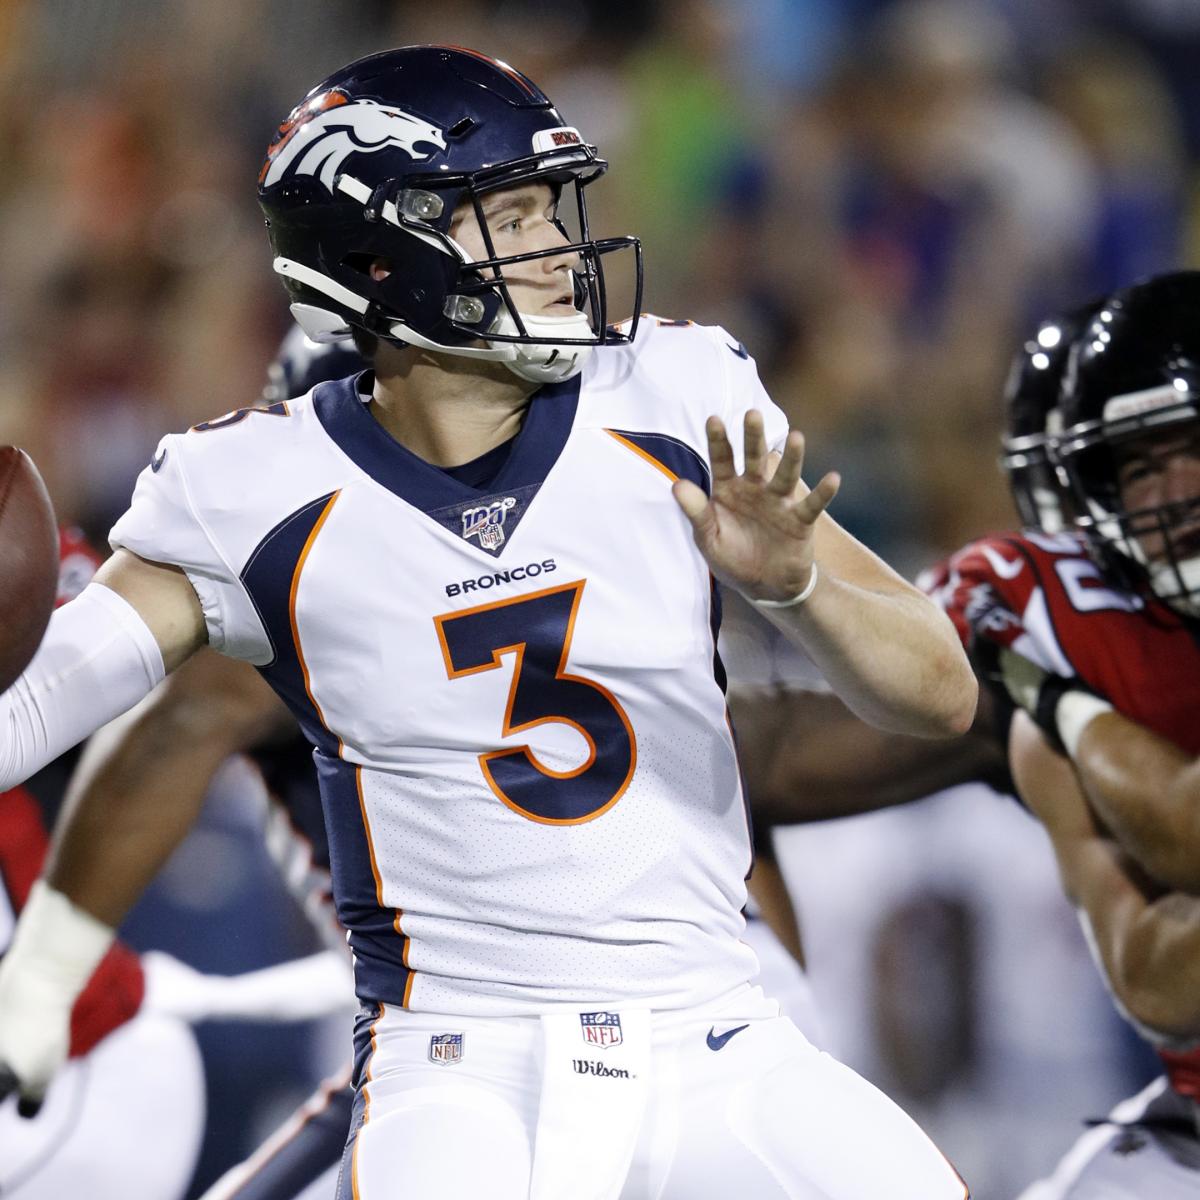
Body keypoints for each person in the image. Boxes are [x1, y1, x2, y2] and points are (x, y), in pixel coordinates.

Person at [0, 45, 975, 1200]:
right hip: (461, 1067)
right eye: (507, 221)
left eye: (549, 212)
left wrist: (796, 584)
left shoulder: (673, 394)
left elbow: (939, 695)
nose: (560, 252)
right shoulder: (250, 488)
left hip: (713, 1029)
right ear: (379, 255)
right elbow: (54, 699)